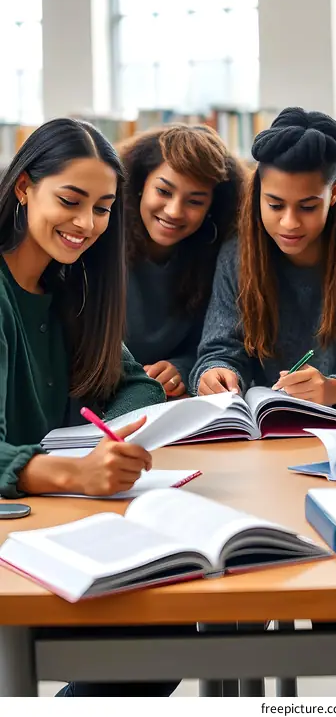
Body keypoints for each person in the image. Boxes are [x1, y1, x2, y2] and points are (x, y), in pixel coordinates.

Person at [0, 117, 181, 698]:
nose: (86, 224)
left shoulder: (71, 284)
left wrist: (119, 436)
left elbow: (134, 386)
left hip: (51, 521)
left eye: (103, 208)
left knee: (165, 632)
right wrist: (73, 471)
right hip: (25, 528)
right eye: (70, 201)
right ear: (24, 186)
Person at [190, 107, 336, 412]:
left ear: (335, 193)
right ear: (258, 190)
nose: (290, 223)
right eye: (275, 205)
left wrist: (334, 389)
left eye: (307, 207)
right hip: (263, 432)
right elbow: (219, 350)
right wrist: (215, 372)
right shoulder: (236, 255)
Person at [119, 124, 246, 397]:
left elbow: (212, 344)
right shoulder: (101, 239)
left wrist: (180, 369)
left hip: (172, 404)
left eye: (195, 202)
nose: (174, 211)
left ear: (212, 208)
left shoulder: (218, 257)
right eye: (164, 192)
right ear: (140, 185)